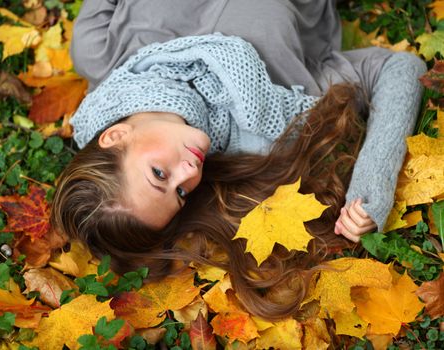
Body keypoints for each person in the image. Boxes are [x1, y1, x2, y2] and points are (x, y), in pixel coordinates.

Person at [51, 0, 426, 319]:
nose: (189, 172)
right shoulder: (275, 121)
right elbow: (398, 70)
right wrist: (372, 182)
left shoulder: (99, 51)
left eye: (159, 173)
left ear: (116, 137)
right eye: (180, 193)